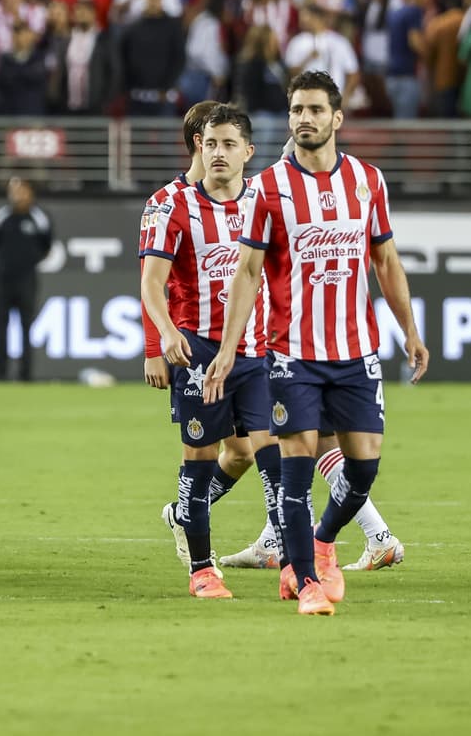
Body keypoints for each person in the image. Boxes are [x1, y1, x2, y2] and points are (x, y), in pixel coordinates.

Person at [205, 71, 429, 616]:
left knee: (363, 467)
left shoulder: (367, 181)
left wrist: (410, 330)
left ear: (336, 117)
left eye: (314, 109)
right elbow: (248, 272)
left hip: (355, 353)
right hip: (292, 354)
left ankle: (325, 541)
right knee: (297, 468)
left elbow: (385, 261)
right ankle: (306, 582)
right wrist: (231, 347)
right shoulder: (268, 188)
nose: (304, 118)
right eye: (296, 110)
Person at [141, 105, 285, 600]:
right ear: (198, 148)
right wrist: (163, 333)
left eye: (228, 144)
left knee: (271, 456)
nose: (218, 153)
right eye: (210, 144)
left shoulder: (264, 201)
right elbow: (151, 283)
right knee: (200, 461)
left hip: (259, 352)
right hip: (198, 353)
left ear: (248, 152)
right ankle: (202, 569)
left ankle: (296, 563)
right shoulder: (172, 206)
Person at [0, 176, 53, 382]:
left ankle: (26, 374)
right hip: (3, 279)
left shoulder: (39, 218)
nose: (17, 195)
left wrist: (28, 262)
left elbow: (46, 245)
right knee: (0, 327)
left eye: (21, 190)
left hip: (27, 280)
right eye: (13, 190)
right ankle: (2, 373)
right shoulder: (0, 217)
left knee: (26, 327)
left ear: (30, 192)